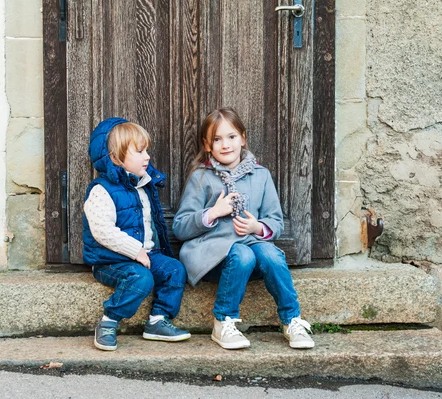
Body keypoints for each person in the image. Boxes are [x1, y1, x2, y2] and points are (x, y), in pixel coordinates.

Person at [173, 108, 314, 350]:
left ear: (243, 138)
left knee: (269, 254)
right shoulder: (201, 177)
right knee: (243, 253)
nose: (225, 145)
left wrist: (256, 227)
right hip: (214, 259)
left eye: (231, 137)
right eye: (217, 139)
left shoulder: (260, 176)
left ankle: (291, 320)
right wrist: (213, 213)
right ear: (207, 145)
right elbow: (180, 227)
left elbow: (276, 221)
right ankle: (223, 321)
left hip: (251, 253)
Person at [83, 117, 191, 351]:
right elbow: (102, 231)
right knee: (142, 278)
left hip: (144, 254)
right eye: (140, 151)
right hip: (110, 262)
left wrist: (150, 251)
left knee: (174, 269)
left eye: (146, 151)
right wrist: (135, 250)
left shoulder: (142, 186)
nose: (147, 156)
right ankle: (109, 321)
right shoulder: (102, 191)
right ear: (115, 158)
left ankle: (158, 320)